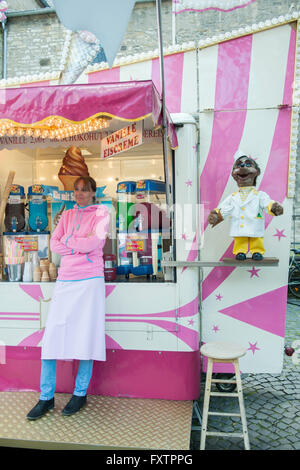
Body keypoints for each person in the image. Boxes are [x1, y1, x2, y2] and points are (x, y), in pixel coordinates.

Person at [27, 176, 110, 420]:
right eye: (76, 189)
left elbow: (97, 241)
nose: (80, 193)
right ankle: (46, 398)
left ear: (94, 192)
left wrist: (70, 243)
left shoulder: (102, 212)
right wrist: (79, 245)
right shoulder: (67, 215)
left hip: (90, 281)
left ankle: (80, 393)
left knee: (86, 336)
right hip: (66, 279)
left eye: (85, 189)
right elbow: (54, 244)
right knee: (52, 337)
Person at [207, 154, 283, 260]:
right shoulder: (232, 197)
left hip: (255, 224)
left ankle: (257, 251)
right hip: (239, 226)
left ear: (257, 172)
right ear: (234, 175)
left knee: (256, 238)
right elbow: (223, 207)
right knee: (240, 238)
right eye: (239, 165)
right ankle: (240, 251)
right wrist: (216, 215)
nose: (243, 167)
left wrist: (274, 207)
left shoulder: (260, 195)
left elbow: (267, 203)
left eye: (248, 164)